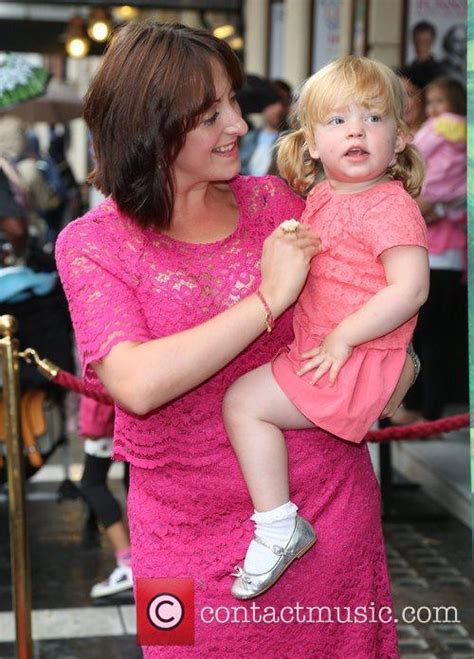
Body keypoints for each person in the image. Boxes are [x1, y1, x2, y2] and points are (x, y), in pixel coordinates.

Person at [56, 22, 416, 656]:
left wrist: (393, 364)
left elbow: (378, 295)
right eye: (211, 113)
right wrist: (267, 301)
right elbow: (135, 384)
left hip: (324, 510)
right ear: (152, 125)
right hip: (179, 534)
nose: (239, 125)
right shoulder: (94, 243)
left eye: (232, 102)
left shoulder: (280, 201)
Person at [223, 56, 429, 599]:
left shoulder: (390, 205)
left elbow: (410, 288)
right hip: (328, 352)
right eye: (337, 121)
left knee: (244, 403)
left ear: (401, 138)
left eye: (374, 118)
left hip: (352, 356)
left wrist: (344, 336)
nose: (356, 130)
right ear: (311, 143)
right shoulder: (323, 196)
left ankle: (276, 525)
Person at [393, 77, 467, 425]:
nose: (435, 108)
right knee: (418, 337)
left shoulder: (444, 138)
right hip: (424, 253)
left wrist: (436, 205)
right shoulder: (425, 142)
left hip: (444, 256)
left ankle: (431, 414)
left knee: (433, 340)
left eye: (439, 101)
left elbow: (450, 191)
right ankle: (417, 408)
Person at [79, 397, 132, 598]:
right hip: (130, 409)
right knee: (133, 482)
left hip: (109, 411)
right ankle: (139, 558)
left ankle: (128, 562)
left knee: (92, 483)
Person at [240, 79, 292, 175]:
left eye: (283, 103)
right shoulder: (248, 137)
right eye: (272, 102)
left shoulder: (291, 141)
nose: (278, 108)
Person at [405, 21, 444, 88]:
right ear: (413, 41)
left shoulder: (440, 72)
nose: (421, 46)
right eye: (418, 41)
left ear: (432, 42)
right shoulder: (407, 70)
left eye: (425, 42)